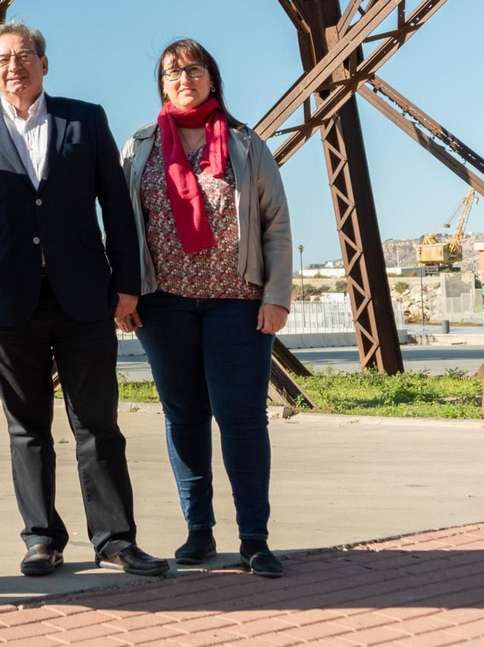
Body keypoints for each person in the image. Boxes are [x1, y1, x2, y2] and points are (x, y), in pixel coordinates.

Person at [0, 22, 168, 579]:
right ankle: (42, 538)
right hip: (7, 300)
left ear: (44, 64)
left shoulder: (84, 120)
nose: (14, 66)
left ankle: (116, 540)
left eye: (24, 55)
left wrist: (126, 284)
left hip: (84, 297)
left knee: (98, 424)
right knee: (27, 428)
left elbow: (116, 207)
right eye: (2, 59)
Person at [118, 38, 292, 578]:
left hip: (237, 302)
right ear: (162, 86)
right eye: (172, 72)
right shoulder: (139, 146)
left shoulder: (246, 145)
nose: (183, 79)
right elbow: (121, 228)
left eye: (193, 69)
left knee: (242, 418)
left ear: (212, 78)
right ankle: (198, 530)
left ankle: (254, 538)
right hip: (163, 304)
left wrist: (276, 296)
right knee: (184, 417)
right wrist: (123, 292)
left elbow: (275, 223)